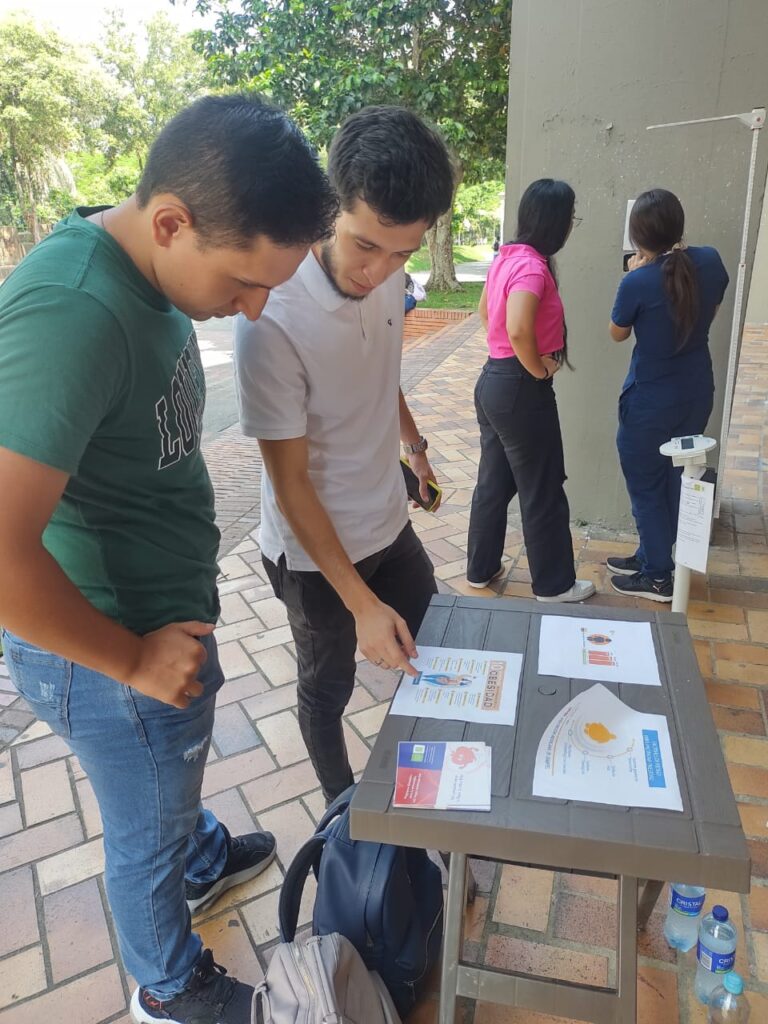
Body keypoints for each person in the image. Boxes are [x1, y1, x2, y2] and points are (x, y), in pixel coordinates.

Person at [0, 95, 337, 1024]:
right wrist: (132, 658)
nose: (256, 308)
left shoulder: (144, 270)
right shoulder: (73, 312)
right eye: (242, 283)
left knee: (166, 793)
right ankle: (168, 983)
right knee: (142, 826)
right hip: (112, 649)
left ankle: (197, 856)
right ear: (170, 223)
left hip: (155, 626)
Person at [234, 105, 454, 803]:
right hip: (313, 554)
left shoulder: (388, 272)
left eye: (402, 254)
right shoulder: (272, 318)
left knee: (444, 652)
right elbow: (290, 483)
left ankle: (441, 800)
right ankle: (342, 815)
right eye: (365, 246)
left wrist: (415, 449)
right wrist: (359, 604)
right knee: (325, 689)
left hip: (388, 520)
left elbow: (380, 368)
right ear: (330, 206)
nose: (381, 270)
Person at [466, 179, 595, 603]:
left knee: (494, 482)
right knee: (542, 487)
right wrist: (536, 370)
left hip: (493, 382)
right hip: (521, 390)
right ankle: (555, 585)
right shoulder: (533, 267)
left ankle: (480, 569)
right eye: (571, 218)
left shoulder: (508, 257)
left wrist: (508, 355)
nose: (572, 226)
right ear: (556, 221)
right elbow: (519, 327)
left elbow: (486, 312)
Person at [608, 188, 729, 601]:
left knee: (645, 483)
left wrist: (636, 272)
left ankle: (658, 575)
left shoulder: (637, 281)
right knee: (677, 476)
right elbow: (706, 313)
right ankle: (651, 554)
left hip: (649, 401)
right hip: (696, 390)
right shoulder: (710, 261)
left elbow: (617, 334)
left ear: (637, 236)